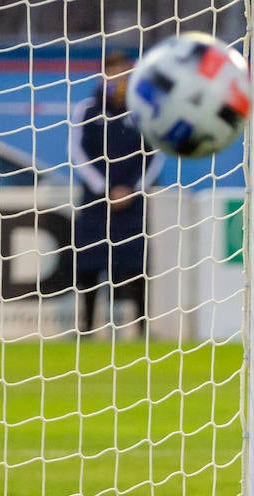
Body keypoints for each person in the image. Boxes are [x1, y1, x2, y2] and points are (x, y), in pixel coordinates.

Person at [70, 50, 163, 337]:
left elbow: (156, 153)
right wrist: (102, 188)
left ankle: (141, 329)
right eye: (111, 72)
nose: (117, 78)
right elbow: (76, 151)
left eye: (122, 72)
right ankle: (85, 328)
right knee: (89, 264)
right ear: (103, 74)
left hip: (132, 201)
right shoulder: (86, 109)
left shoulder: (144, 110)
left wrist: (133, 189)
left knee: (135, 265)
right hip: (96, 200)